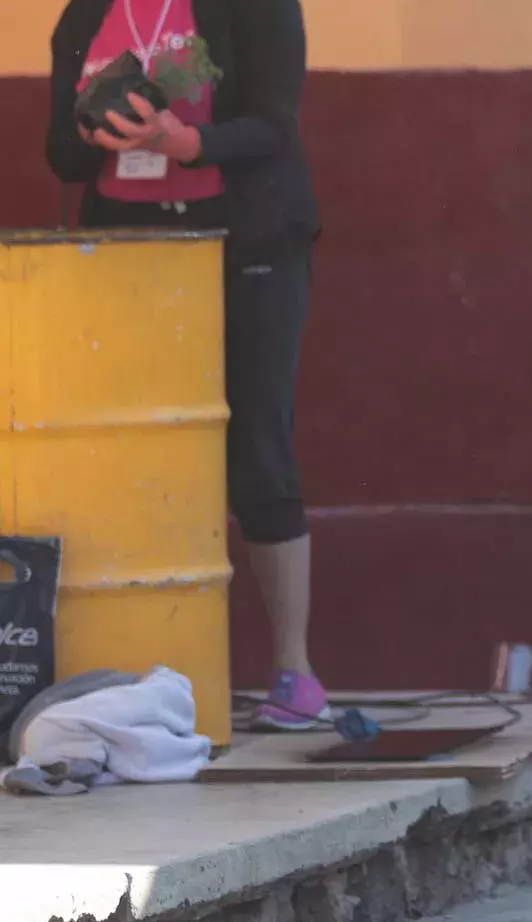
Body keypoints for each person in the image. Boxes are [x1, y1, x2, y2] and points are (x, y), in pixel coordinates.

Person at [46, 0, 329, 731]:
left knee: (257, 449)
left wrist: (183, 140)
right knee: (135, 456)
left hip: (249, 246)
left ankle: (294, 672)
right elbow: (63, 155)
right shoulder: (86, 16)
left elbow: (272, 124)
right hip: (130, 249)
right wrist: (96, 126)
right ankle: (146, 665)